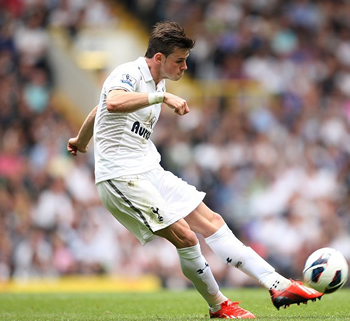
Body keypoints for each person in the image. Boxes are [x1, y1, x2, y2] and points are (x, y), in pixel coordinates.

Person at [67, 21, 323, 319]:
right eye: (180, 60)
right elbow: (111, 102)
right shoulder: (129, 73)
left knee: (211, 221)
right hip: (121, 178)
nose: (185, 67)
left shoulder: (157, 81)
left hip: (149, 169)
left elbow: (99, 108)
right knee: (187, 237)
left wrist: (80, 140)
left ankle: (278, 284)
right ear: (159, 58)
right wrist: (161, 98)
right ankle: (219, 306)